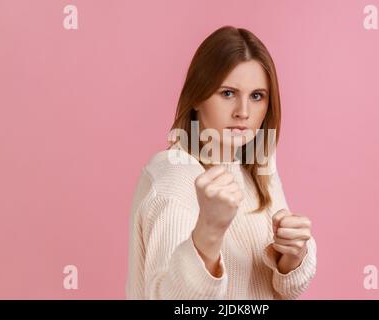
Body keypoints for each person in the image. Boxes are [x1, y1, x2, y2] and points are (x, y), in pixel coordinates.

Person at [126, 26, 317, 299]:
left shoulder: (258, 172)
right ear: (198, 97)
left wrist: (293, 256)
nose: (243, 112)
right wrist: (209, 232)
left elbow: (287, 289)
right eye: (227, 93)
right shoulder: (175, 172)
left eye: (256, 96)